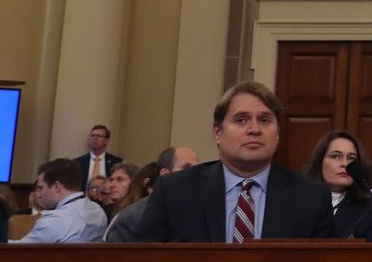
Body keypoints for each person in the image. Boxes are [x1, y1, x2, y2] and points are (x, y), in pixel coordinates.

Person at [136, 82, 336, 242]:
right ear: (217, 132)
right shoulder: (174, 191)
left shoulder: (311, 198)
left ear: (277, 134)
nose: (255, 129)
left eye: (265, 120)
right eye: (241, 120)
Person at [305, 131, 372, 241]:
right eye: (335, 156)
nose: (345, 163)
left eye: (352, 158)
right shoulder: (297, 203)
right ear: (319, 161)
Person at [106, 145, 199, 242]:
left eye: (197, 169)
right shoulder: (133, 217)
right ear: (165, 174)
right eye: (186, 168)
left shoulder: (199, 214)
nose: (195, 174)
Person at [15, 159, 109, 243]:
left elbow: (19, 251)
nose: (39, 195)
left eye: (41, 188)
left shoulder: (55, 220)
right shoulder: (98, 211)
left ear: (56, 187)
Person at [75, 124, 126, 189]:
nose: (95, 138)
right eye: (92, 135)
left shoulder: (116, 162)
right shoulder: (78, 162)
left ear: (106, 141)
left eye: (99, 136)